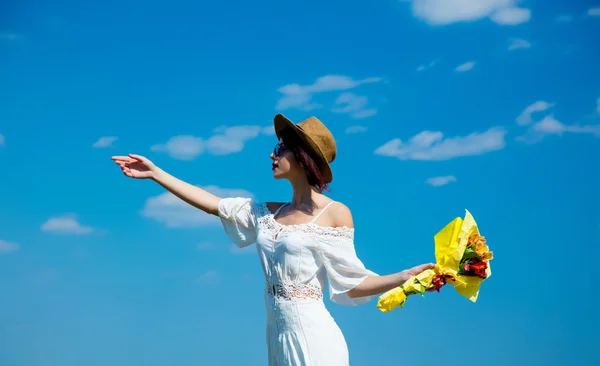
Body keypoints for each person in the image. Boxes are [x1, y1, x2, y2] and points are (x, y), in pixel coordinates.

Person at [112, 114, 435, 366]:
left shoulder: (335, 214)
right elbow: (212, 204)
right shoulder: (266, 213)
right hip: (278, 333)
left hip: (313, 334)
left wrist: (403, 277)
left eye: (280, 148)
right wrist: (157, 174)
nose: (272, 153)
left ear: (303, 156)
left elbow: (351, 284)